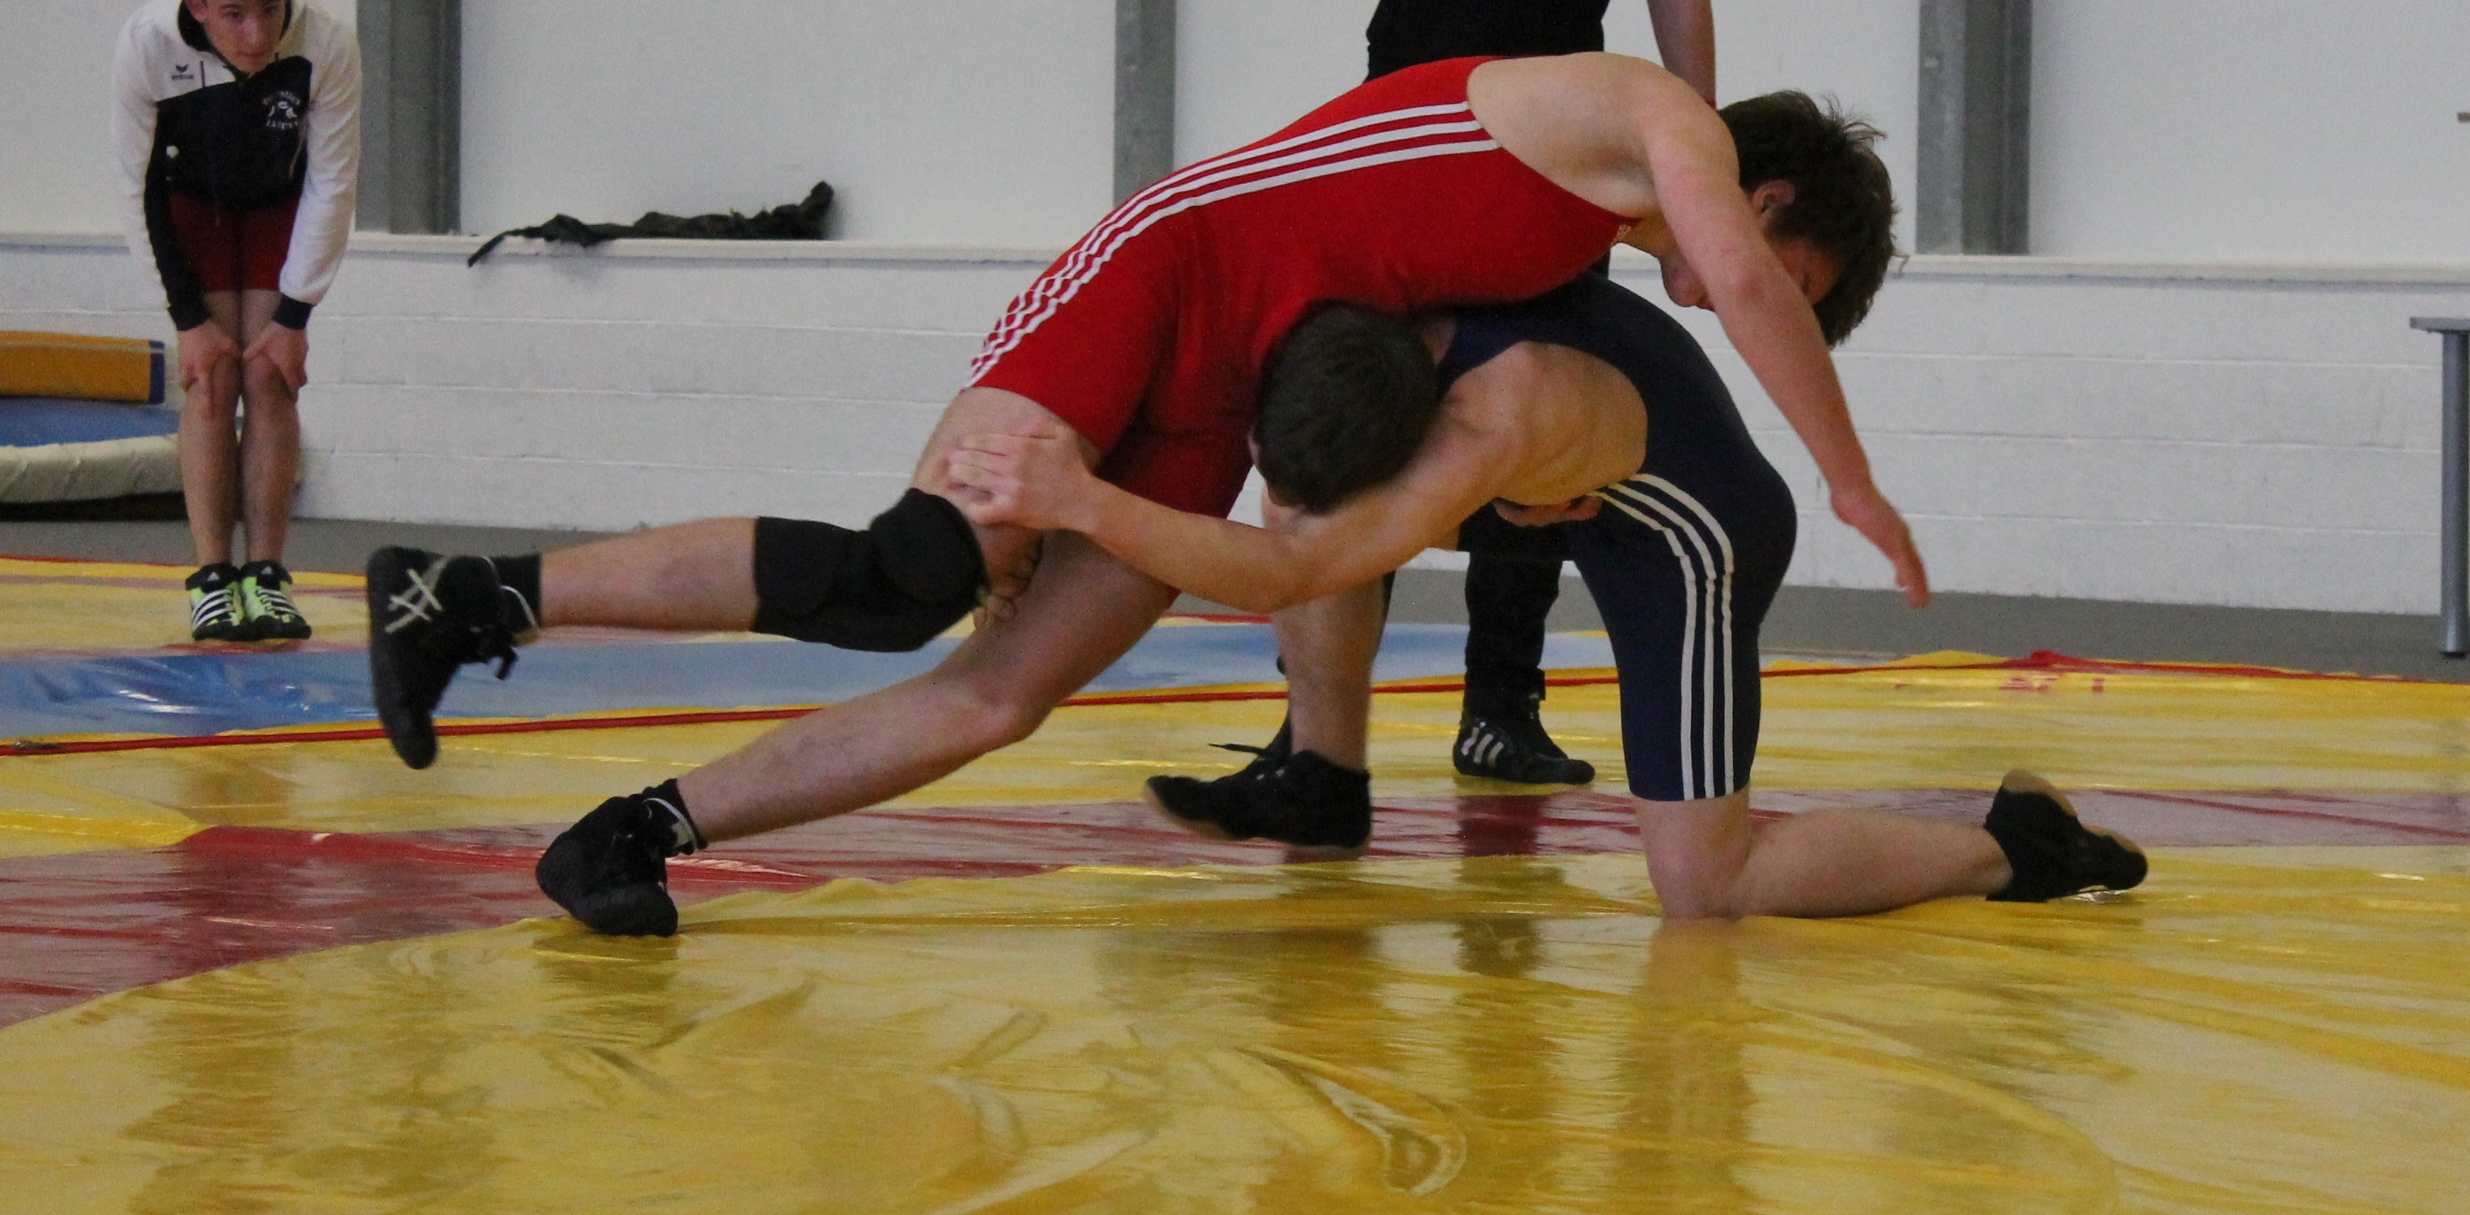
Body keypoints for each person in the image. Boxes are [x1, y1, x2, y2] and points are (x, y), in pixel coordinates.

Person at [367, 54, 1924, 936]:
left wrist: (1522, 496)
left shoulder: (1581, 242)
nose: (1734, 299)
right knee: (913, 571)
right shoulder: (1654, 118)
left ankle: (636, 832)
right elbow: (1737, 277)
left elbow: (1436, 400)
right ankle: (476, 594)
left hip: (1231, 396)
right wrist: (1851, 478)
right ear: (1774, 198)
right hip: (1167, 272)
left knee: (1003, 694)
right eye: (1794, 280)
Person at [946, 269, 2148, 917]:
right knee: (1299, 505)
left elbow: (1292, 575)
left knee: (1705, 885)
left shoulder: (1494, 418)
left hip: (1690, 531)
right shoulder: (1345, 313)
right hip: (1565, 465)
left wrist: (1083, 508)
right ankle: (1323, 775)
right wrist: (1032, 540)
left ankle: (2015, 848)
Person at [1299, 0, 1718, 784]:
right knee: (1363, 414)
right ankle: (1316, 731)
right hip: (1400, 152)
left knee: (1536, 424)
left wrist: (1694, 146)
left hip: (1558, 164)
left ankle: (1502, 706)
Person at [113, 0, 361, 642]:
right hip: (191, 204)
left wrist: (296, 315)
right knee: (212, 378)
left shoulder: (326, 40)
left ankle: (269, 577)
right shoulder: (146, 42)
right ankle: (213, 579)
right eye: (233, 15)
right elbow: (135, 187)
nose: (256, 36)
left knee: (271, 376)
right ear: (198, 7)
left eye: (271, 10)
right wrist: (187, 319)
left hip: (279, 200)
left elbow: (333, 181)